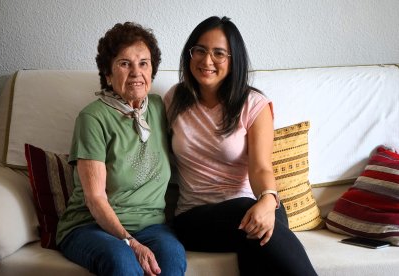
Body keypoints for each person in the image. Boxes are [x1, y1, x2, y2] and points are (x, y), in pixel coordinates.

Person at [164, 16, 317, 276]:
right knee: (253, 220)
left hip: (246, 209)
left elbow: (260, 167)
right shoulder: (174, 100)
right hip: (194, 218)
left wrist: (268, 201)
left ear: (234, 60)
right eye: (199, 50)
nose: (206, 60)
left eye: (219, 53)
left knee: (263, 225)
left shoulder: (253, 104)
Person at [56, 22, 186, 276]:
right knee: (122, 261)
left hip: (152, 227)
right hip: (90, 226)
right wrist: (131, 242)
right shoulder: (93, 118)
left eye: (144, 63)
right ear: (107, 73)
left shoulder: (160, 107)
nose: (136, 72)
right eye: (125, 63)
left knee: (172, 259)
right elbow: (95, 199)